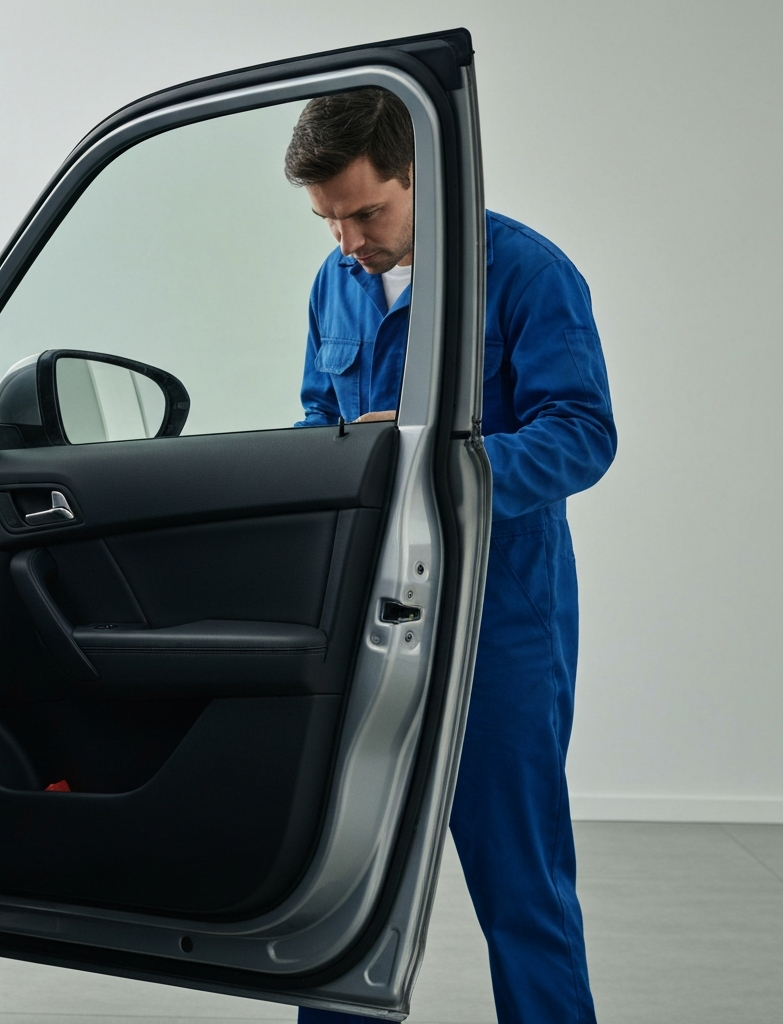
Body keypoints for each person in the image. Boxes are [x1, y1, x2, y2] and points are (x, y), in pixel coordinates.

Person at [286, 89, 616, 1024]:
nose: (348, 241)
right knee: (345, 879)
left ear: (420, 174)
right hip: (371, 614)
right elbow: (320, 411)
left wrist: (439, 462)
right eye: (327, 220)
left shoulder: (526, 272)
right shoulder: (333, 281)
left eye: (365, 212)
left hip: (498, 617)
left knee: (522, 885)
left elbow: (583, 434)